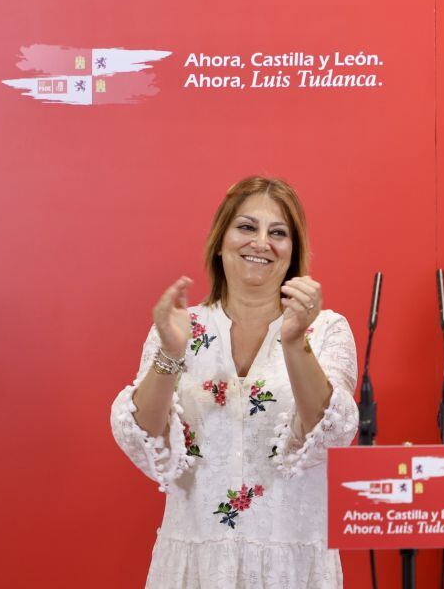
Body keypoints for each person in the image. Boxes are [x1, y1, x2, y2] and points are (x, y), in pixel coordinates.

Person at [110, 177, 359, 588]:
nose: (261, 242)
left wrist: (295, 341)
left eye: (278, 233)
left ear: (293, 250)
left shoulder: (324, 329)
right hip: (193, 567)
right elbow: (146, 438)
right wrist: (170, 353)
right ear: (220, 241)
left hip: (292, 568)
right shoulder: (180, 327)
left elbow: (330, 432)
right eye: (246, 227)